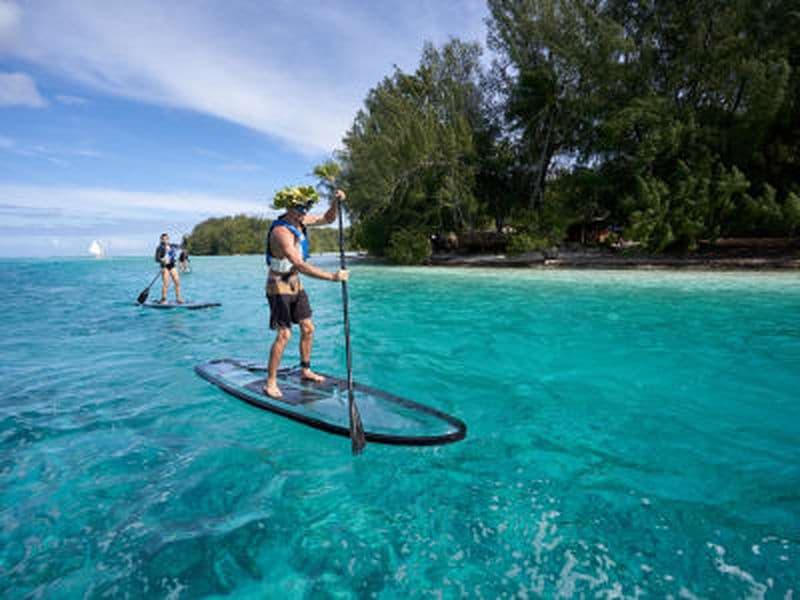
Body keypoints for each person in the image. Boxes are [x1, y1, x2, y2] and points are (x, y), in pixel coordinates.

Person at [264, 188, 348, 398]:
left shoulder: (300, 222)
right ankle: (270, 382)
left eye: (306, 208)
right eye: (300, 208)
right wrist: (332, 277)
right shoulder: (280, 232)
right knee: (284, 335)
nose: (304, 212)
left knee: (308, 328)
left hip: (295, 283)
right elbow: (300, 264)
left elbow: (328, 218)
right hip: (278, 285)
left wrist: (335, 203)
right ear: (289, 208)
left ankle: (305, 369)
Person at [154, 233, 184, 304]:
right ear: (161, 240)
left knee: (177, 282)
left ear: (168, 239)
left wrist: (184, 240)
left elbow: (181, 246)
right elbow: (156, 258)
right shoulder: (159, 247)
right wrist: (162, 260)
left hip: (172, 265)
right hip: (164, 266)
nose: (165, 240)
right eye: (163, 239)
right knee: (166, 283)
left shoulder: (172, 246)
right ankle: (163, 299)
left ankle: (178, 299)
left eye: (167, 239)